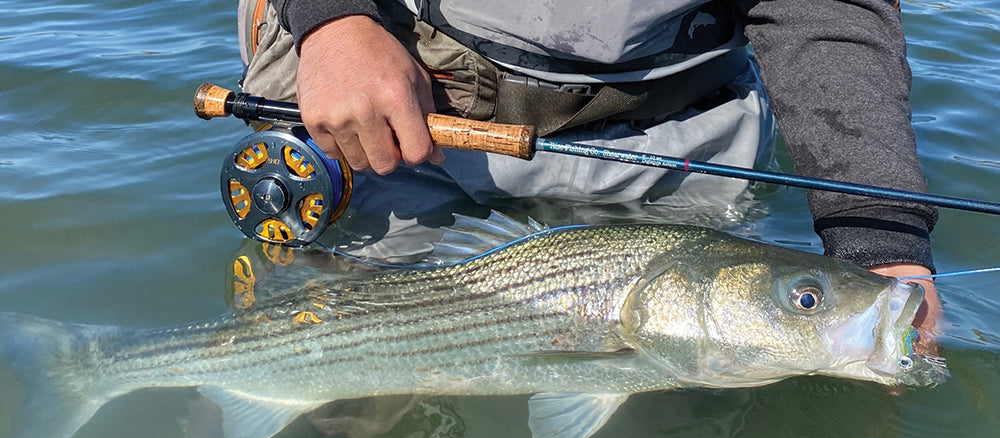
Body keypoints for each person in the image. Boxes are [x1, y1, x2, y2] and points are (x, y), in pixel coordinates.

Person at [237, 0, 941, 339]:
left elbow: (825, 13)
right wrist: (332, 20)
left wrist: (882, 244)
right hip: (384, 83)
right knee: (320, 378)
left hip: (678, 111)